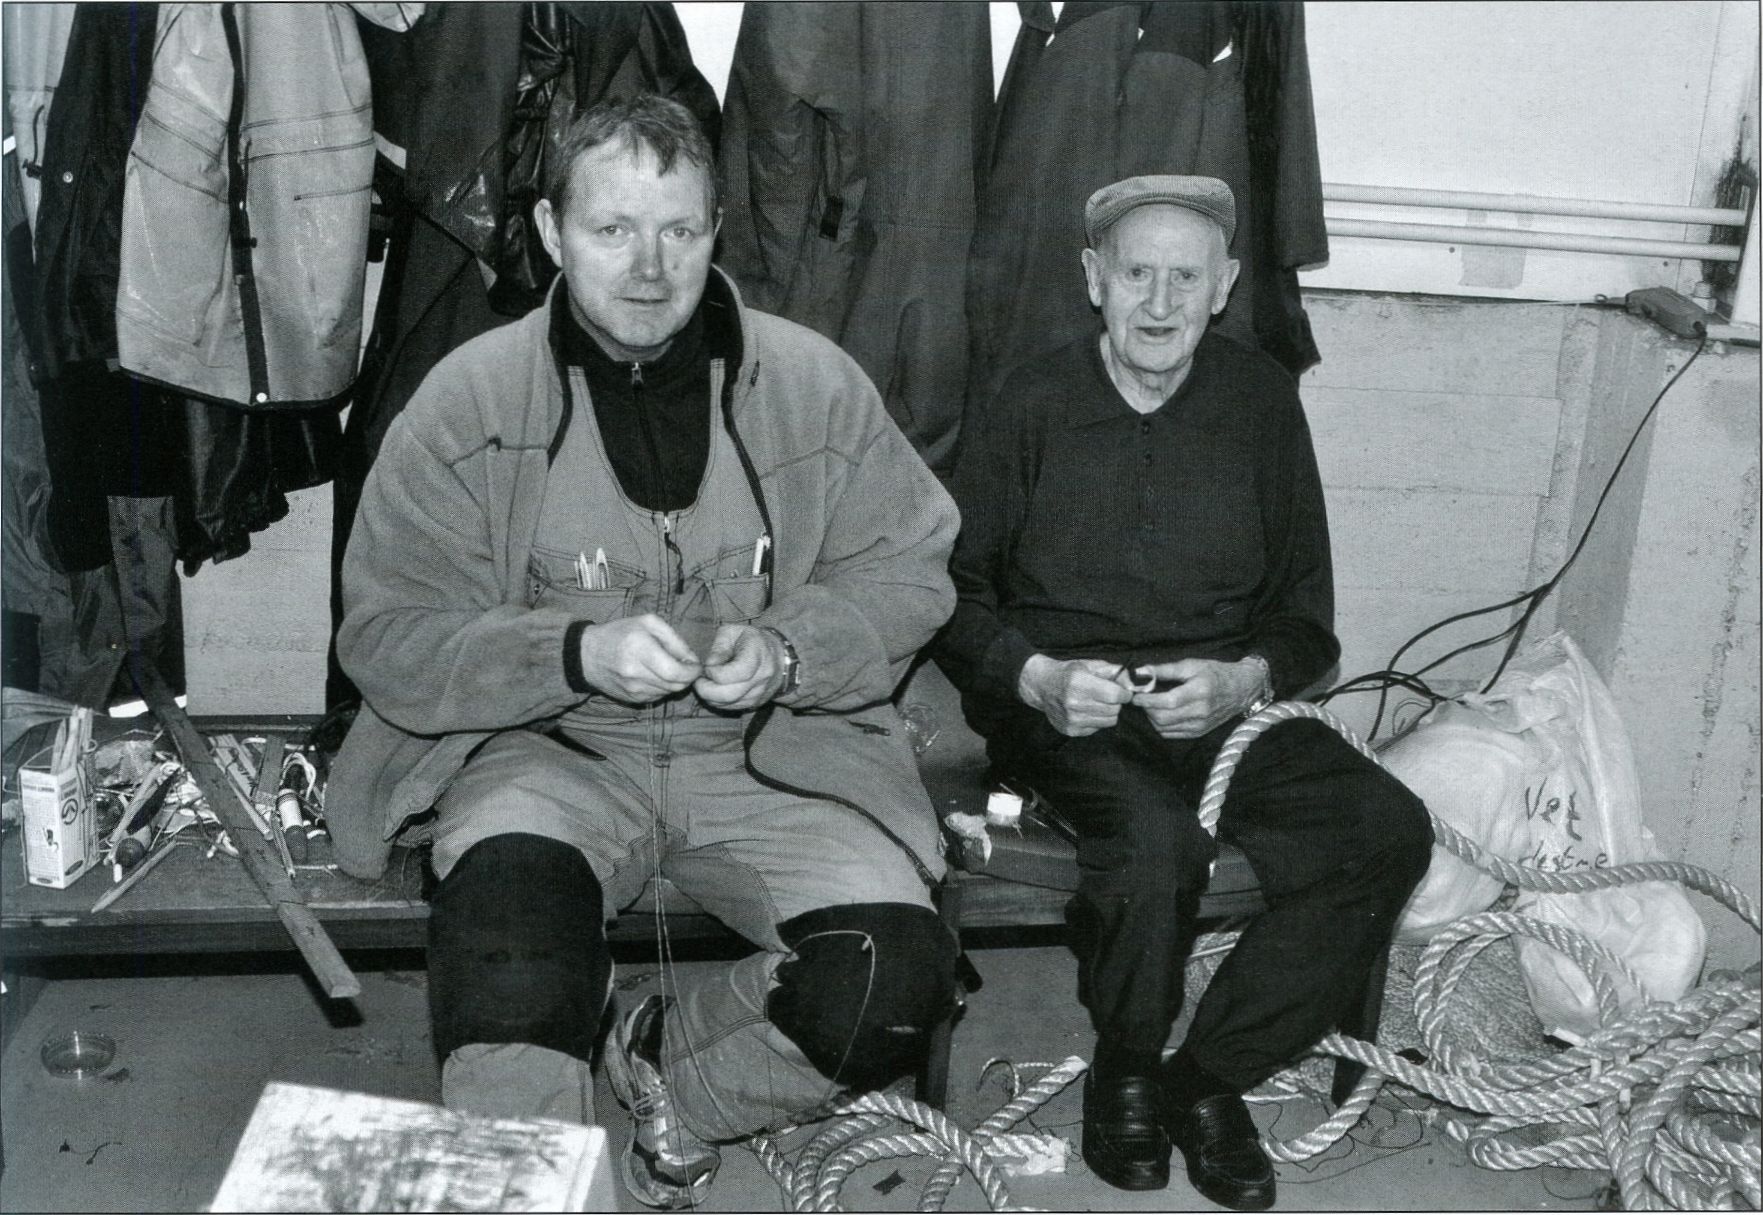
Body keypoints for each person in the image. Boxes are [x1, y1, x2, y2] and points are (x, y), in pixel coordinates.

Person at [329, 93, 962, 1210]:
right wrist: (571, 652)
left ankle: (670, 1073)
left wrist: (790, 651)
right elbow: (388, 636)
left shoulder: (814, 383)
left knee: (893, 983)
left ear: (715, 231)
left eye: (677, 229)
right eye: (612, 228)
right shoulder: (467, 399)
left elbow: (910, 571)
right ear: (549, 232)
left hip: (773, 753)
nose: (650, 266)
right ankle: (536, 1190)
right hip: (544, 752)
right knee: (509, 966)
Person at [937, 175, 1432, 1212]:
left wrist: (1241, 678)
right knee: (1153, 842)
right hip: (1071, 712)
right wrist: (1034, 676)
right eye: (1135, 275)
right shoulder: (1027, 400)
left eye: (1183, 279)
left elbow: (1305, 617)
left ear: (1223, 287)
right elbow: (950, 597)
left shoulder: (1260, 404)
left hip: (1220, 707)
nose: (1158, 303)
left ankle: (1203, 1078)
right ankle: (1123, 1064)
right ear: (1093, 280)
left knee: (1382, 829)